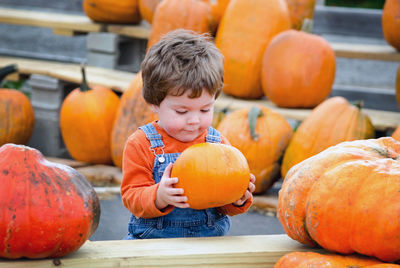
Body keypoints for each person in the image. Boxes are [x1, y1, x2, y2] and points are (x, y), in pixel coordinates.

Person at [121, 29, 256, 239]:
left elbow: (222, 206)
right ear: (154, 104)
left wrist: (237, 199)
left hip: (208, 244)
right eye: (182, 111)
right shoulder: (141, 144)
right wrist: (159, 196)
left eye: (205, 110)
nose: (194, 120)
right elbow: (132, 196)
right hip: (154, 245)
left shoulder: (218, 144)